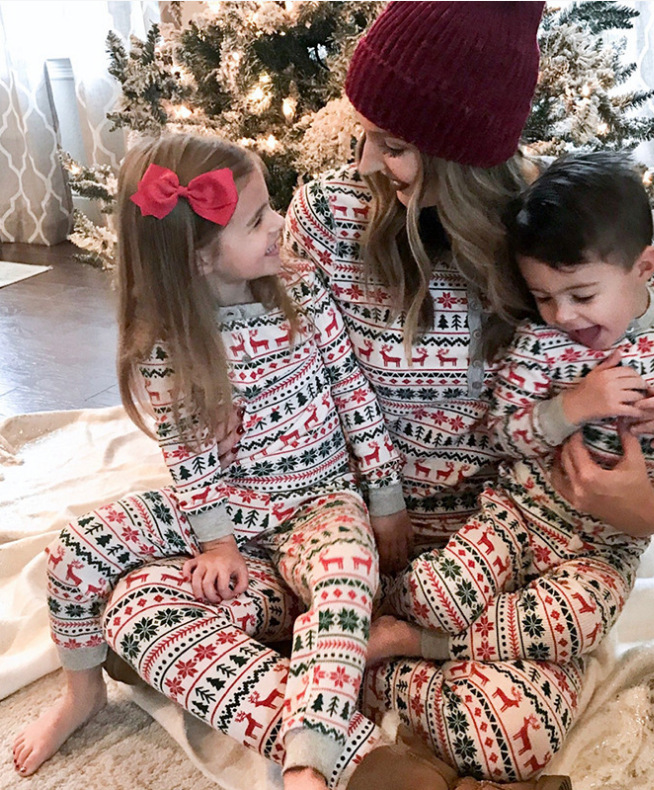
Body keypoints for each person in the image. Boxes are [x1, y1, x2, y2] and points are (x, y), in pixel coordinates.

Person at [280, 1, 654, 783]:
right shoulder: (327, 217)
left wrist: (653, 506)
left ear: (461, 157)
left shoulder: (550, 228)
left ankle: (358, 671)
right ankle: (351, 672)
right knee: (194, 592)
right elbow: (305, 391)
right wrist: (366, 516)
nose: (366, 161)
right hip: (362, 533)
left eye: (394, 146)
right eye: (367, 135)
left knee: (518, 732)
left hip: (506, 546)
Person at [12, 132, 410, 790]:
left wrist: (387, 501)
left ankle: (311, 759)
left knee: (346, 581)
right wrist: (218, 543)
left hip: (322, 503)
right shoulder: (167, 344)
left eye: (270, 208)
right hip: (230, 510)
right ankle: (83, 694)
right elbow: (189, 458)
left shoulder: (301, 291)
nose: (280, 224)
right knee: (74, 550)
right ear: (199, 258)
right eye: (257, 220)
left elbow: (353, 395)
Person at [368, 150, 654, 677]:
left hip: (607, 549)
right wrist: (572, 406)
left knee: (578, 625)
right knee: (434, 596)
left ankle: (415, 642)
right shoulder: (542, 340)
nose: (563, 315)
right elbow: (502, 433)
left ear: (644, 267)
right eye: (544, 297)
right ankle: (383, 612)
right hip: (521, 517)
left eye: (582, 294)